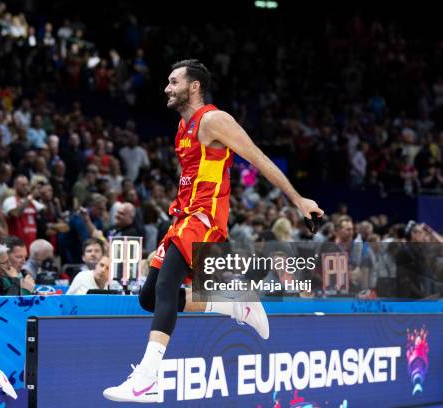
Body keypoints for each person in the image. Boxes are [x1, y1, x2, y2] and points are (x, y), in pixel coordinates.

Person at [103, 60, 323, 402]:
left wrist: (298, 200)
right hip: (183, 216)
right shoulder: (181, 126)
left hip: (204, 217)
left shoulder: (214, 120)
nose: (166, 87)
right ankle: (233, 304)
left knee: (165, 286)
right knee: (149, 297)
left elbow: (260, 159)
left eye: (173, 81)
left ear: (194, 86)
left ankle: (147, 378)